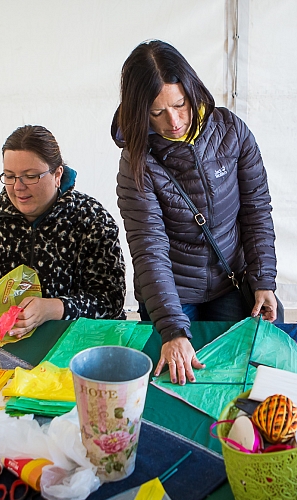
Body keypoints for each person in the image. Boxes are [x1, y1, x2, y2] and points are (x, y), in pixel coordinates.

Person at [112, 40, 279, 384]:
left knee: (235, 376)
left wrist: (263, 279)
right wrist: (172, 329)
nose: (173, 121)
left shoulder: (231, 132)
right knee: (176, 380)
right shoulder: (136, 162)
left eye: (180, 104)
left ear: (192, 91)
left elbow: (256, 209)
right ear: (138, 110)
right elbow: (149, 249)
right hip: (170, 292)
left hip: (229, 281)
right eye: (156, 113)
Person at [0, 125, 127, 336]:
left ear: (57, 174)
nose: (18, 187)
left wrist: (53, 308)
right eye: (10, 176)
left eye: (30, 176)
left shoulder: (90, 218)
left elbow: (110, 300)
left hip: (71, 344)